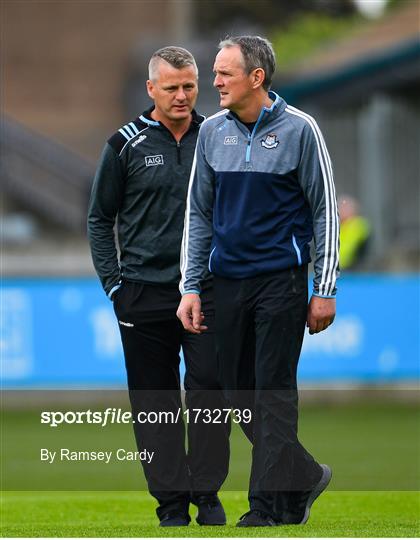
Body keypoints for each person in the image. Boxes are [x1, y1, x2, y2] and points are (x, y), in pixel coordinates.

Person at [177, 36, 339, 527]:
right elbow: (198, 214)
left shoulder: (301, 130)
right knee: (234, 392)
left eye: (225, 73)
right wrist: (190, 285)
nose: (216, 82)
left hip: (281, 282)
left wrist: (324, 288)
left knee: (272, 391)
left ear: (256, 77)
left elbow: (325, 210)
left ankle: (264, 507)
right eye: (216, 72)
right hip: (225, 284)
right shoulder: (211, 134)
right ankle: (304, 475)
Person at [87, 46, 230, 527]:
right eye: (171, 87)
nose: (182, 95)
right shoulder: (124, 143)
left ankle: (207, 494)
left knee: (211, 388)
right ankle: (171, 504)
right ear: (151, 89)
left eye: (189, 85)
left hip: (206, 290)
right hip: (142, 293)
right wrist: (114, 286)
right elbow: (99, 218)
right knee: (154, 401)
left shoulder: (217, 136)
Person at [338, 194, 371, 270]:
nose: (341, 211)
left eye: (345, 208)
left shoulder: (358, 225)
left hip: (353, 270)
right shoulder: (338, 226)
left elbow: (348, 251)